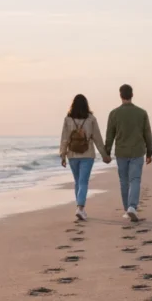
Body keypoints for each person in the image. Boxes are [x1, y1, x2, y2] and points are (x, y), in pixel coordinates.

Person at [104, 83, 152, 222]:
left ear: (120, 95)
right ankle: (132, 207)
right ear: (132, 95)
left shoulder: (114, 114)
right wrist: (149, 152)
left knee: (124, 182)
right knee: (135, 179)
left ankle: (127, 209)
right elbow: (147, 134)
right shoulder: (141, 113)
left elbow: (109, 136)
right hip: (137, 151)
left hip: (121, 152)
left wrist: (106, 152)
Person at [59, 93, 108, 221]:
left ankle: (80, 208)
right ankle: (80, 208)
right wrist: (104, 155)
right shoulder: (91, 119)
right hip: (87, 155)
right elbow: (97, 138)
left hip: (72, 155)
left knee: (78, 182)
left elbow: (64, 139)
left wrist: (63, 155)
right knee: (83, 182)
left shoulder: (68, 119)